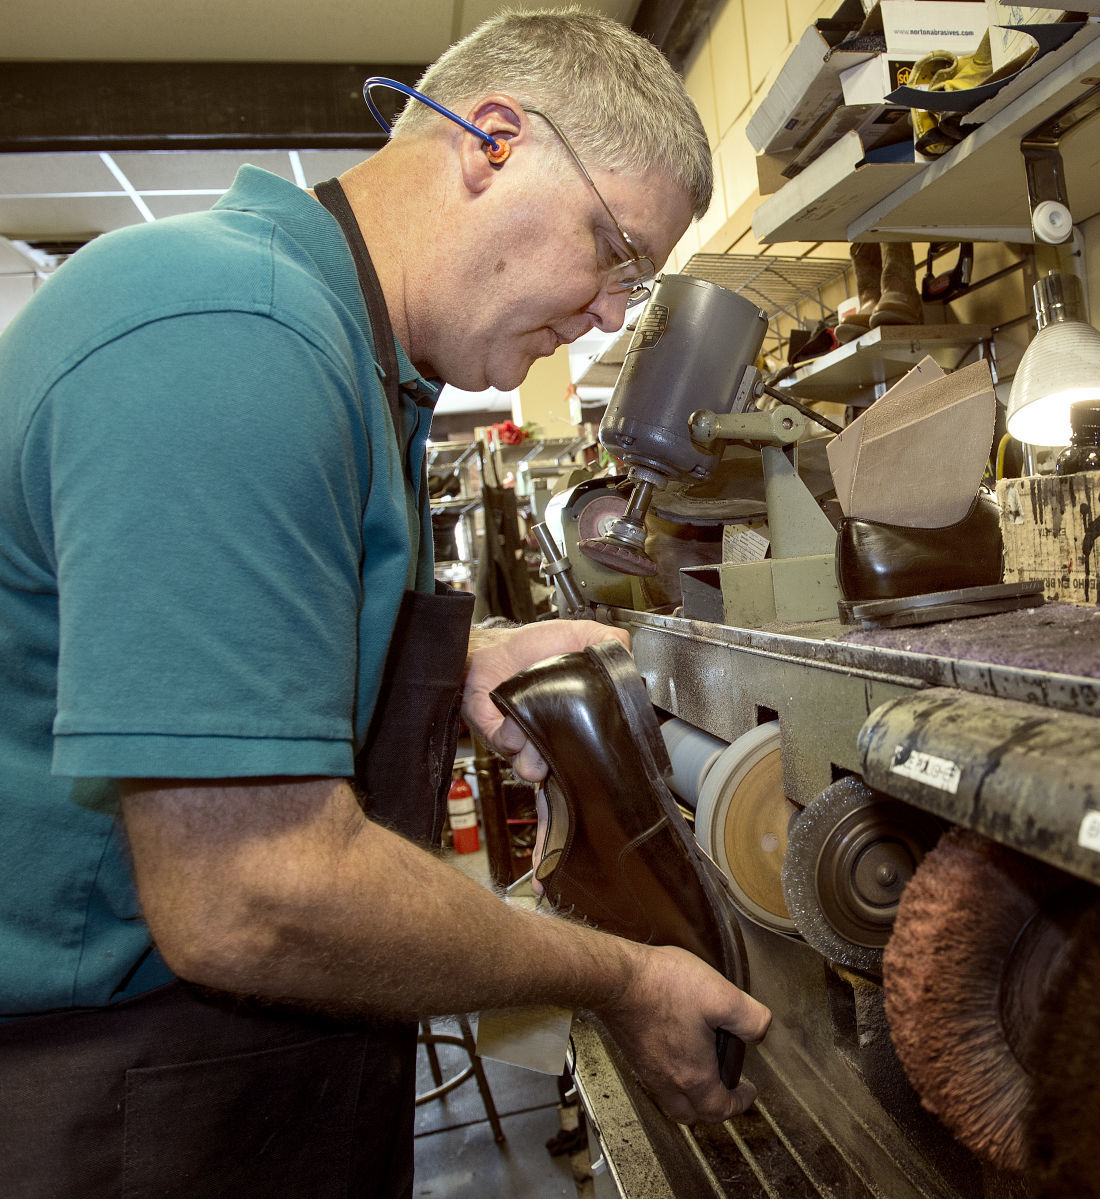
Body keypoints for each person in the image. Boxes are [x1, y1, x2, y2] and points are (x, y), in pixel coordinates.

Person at [0, 9, 770, 1196]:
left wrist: (460, 659)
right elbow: (249, 889)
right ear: (493, 143)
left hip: (232, 1049)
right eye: (616, 251)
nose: (617, 312)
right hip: (113, 1085)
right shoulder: (234, 337)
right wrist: (614, 972)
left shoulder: (363, 364)